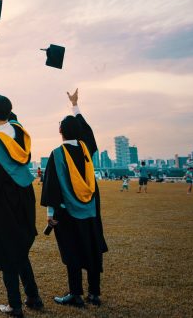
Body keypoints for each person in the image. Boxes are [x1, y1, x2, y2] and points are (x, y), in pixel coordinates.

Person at [0, 84, 42, 317]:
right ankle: (33, 297)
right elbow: (12, 117)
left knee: (7, 252)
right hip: (26, 195)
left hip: (5, 203)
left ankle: (15, 305)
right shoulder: (20, 133)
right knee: (20, 249)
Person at [40, 89, 108, 308]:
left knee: (72, 251)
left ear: (60, 131)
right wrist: (75, 105)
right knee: (92, 248)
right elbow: (88, 133)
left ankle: (76, 294)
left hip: (67, 213)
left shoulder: (57, 154)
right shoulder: (87, 150)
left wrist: (50, 214)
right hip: (90, 212)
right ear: (80, 133)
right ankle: (95, 293)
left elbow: (51, 187)